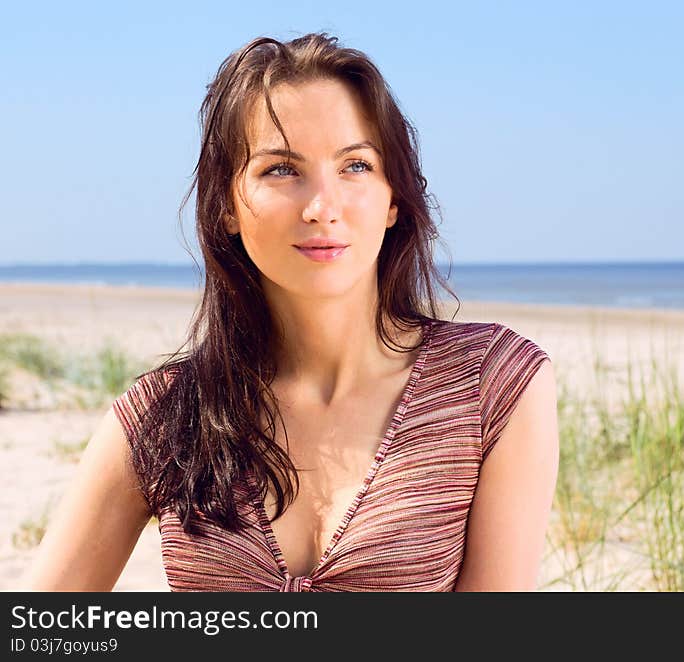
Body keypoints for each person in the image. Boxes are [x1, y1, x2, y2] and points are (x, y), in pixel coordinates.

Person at [22, 33, 559, 592]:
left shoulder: (491, 384)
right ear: (227, 205)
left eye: (355, 165)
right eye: (281, 169)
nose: (322, 207)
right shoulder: (164, 419)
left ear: (393, 198)